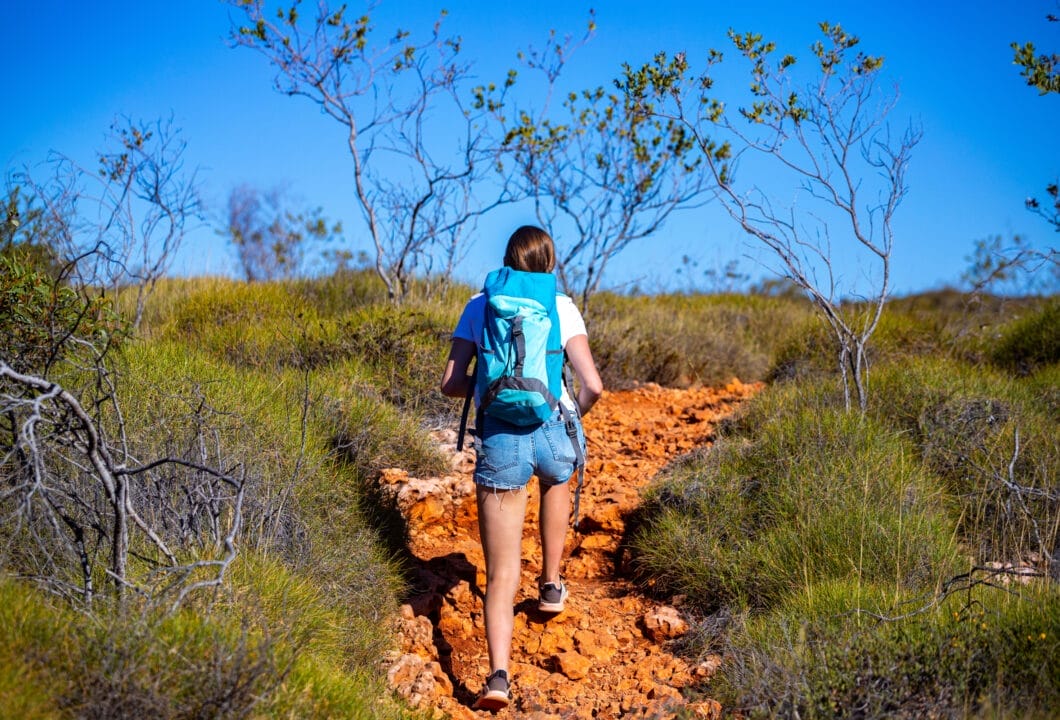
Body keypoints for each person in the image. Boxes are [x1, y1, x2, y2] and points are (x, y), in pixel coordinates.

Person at [440, 226, 603, 711]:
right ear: (550, 260)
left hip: (500, 438)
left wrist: (494, 389)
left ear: (507, 258)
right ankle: (552, 584)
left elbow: (450, 384)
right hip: (554, 426)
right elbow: (592, 384)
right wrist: (568, 412)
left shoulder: (479, 305)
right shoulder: (562, 304)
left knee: (501, 571)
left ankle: (498, 678)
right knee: (558, 476)